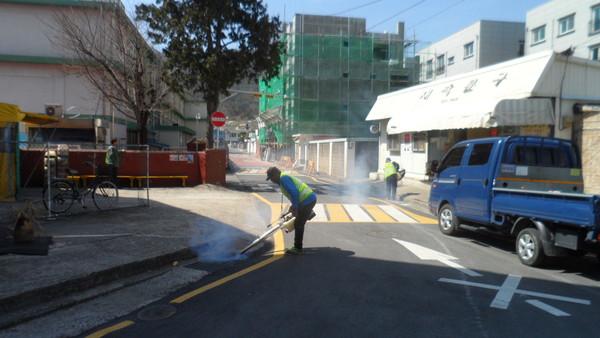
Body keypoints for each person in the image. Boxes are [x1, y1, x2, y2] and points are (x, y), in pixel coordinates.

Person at [266, 166, 317, 255]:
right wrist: (293, 207)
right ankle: (297, 246)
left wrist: (295, 209)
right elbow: (293, 194)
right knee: (298, 221)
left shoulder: (284, 178)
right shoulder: (282, 179)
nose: (272, 180)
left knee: (298, 223)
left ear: (275, 174)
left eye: (271, 178)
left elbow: (294, 193)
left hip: (307, 200)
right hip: (306, 201)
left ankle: (298, 248)